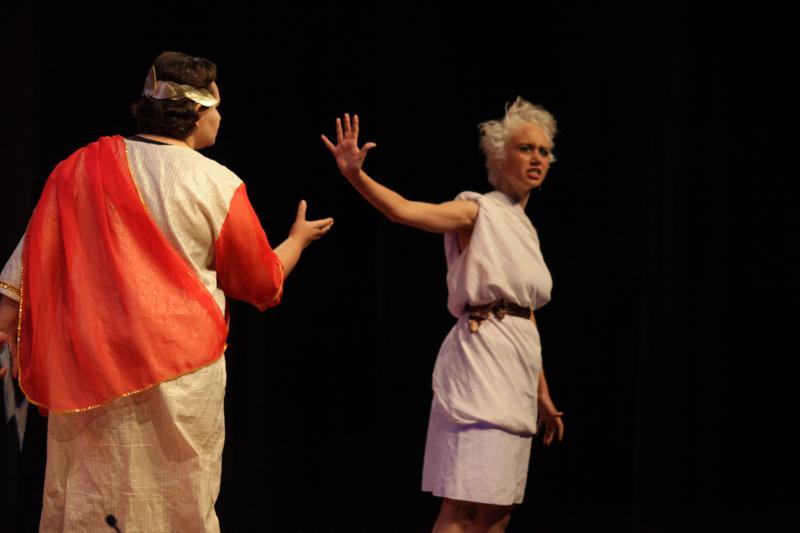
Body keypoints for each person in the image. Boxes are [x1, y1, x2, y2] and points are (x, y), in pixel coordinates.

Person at [0, 50, 333, 532]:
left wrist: (6, 328)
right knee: (179, 504)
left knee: (91, 501)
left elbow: (28, 264)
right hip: (182, 379)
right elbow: (261, 281)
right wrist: (297, 241)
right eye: (217, 108)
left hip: (90, 370)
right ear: (197, 110)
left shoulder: (79, 168)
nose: (220, 119)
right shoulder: (215, 183)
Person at [321, 99, 564, 532]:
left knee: (498, 511)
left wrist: (541, 392)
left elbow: (525, 314)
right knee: (464, 509)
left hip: (517, 376)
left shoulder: (526, 228)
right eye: (526, 148)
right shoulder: (478, 210)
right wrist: (356, 175)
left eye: (544, 151)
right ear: (498, 156)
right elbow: (404, 210)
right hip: (482, 366)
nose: (537, 158)